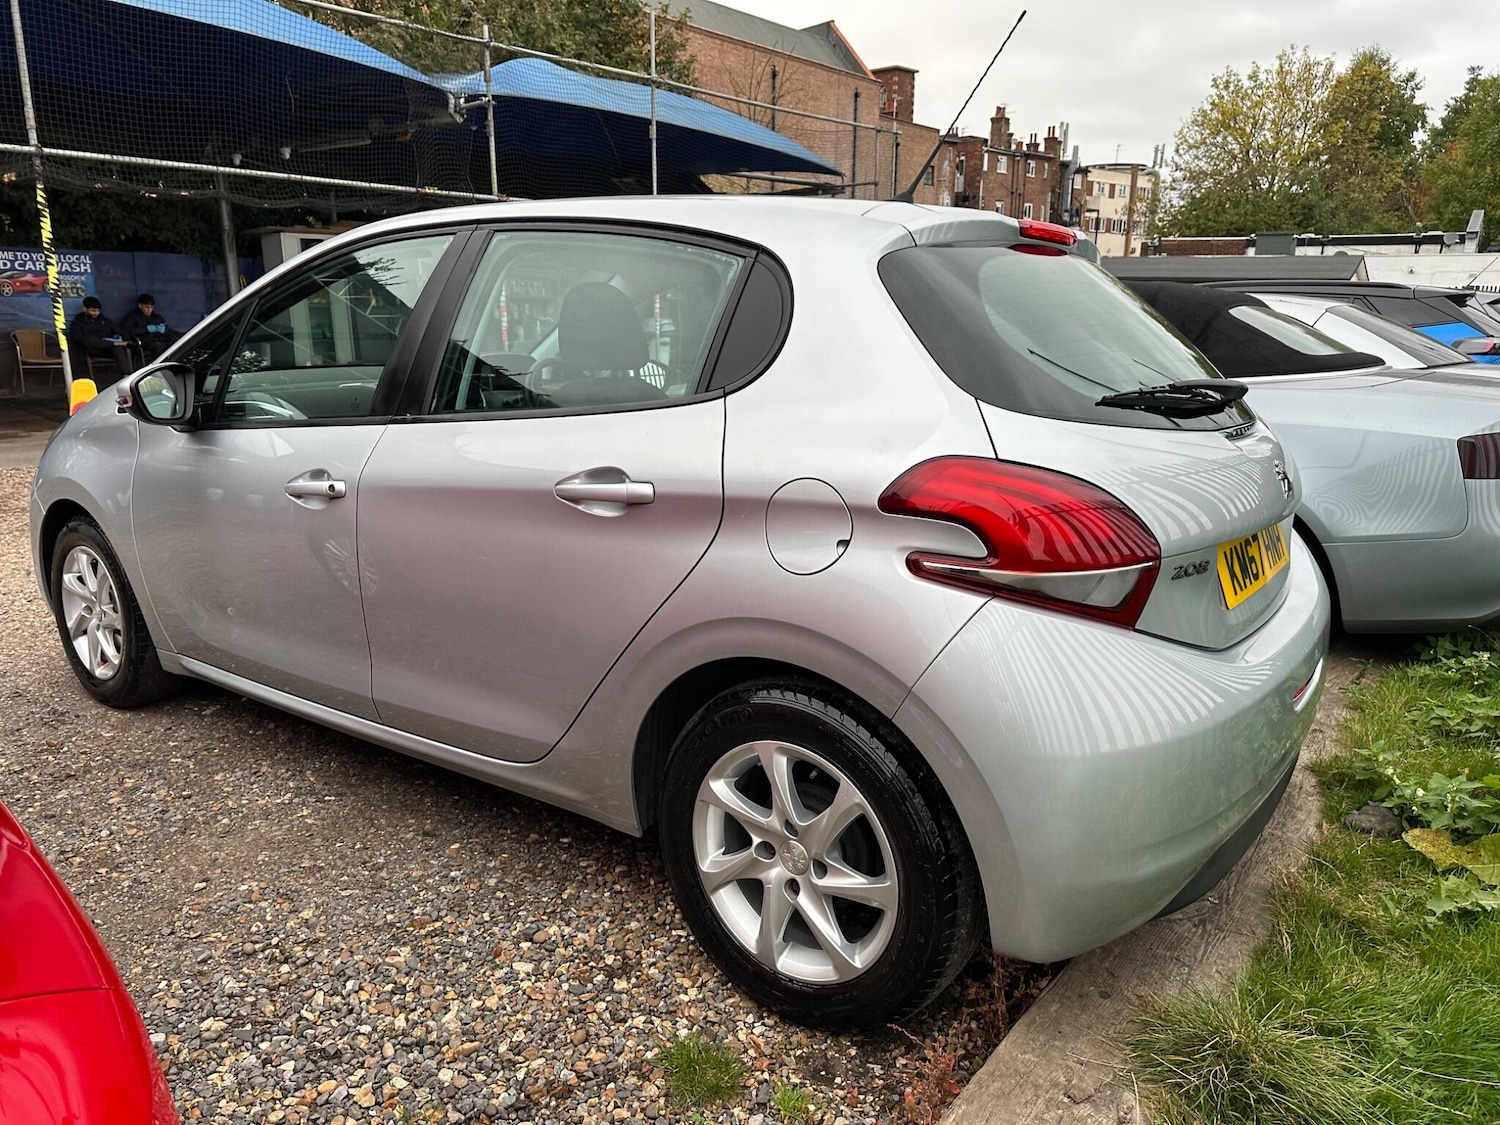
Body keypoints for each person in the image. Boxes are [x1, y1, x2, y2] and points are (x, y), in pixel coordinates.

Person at [67, 296, 133, 384]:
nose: (96, 313)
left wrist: (121, 338)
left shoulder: (105, 321)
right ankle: (113, 344)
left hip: (107, 349)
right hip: (91, 350)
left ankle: (127, 376)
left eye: (97, 311)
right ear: (85, 309)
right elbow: (80, 339)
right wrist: (111, 342)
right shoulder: (78, 323)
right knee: (89, 340)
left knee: (118, 348)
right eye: (93, 311)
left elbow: (121, 332)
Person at [120, 293, 176, 364]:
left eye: (151, 307)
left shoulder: (157, 317)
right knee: (157, 346)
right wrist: (146, 329)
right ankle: (160, 366)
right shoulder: (132, 318)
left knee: (175, 342)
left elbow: (167, 330)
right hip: (144, 341)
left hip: (159, 339)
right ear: (140, 305)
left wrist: (164, 330)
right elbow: (127, 331)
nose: (149, 310)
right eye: (146, 307)